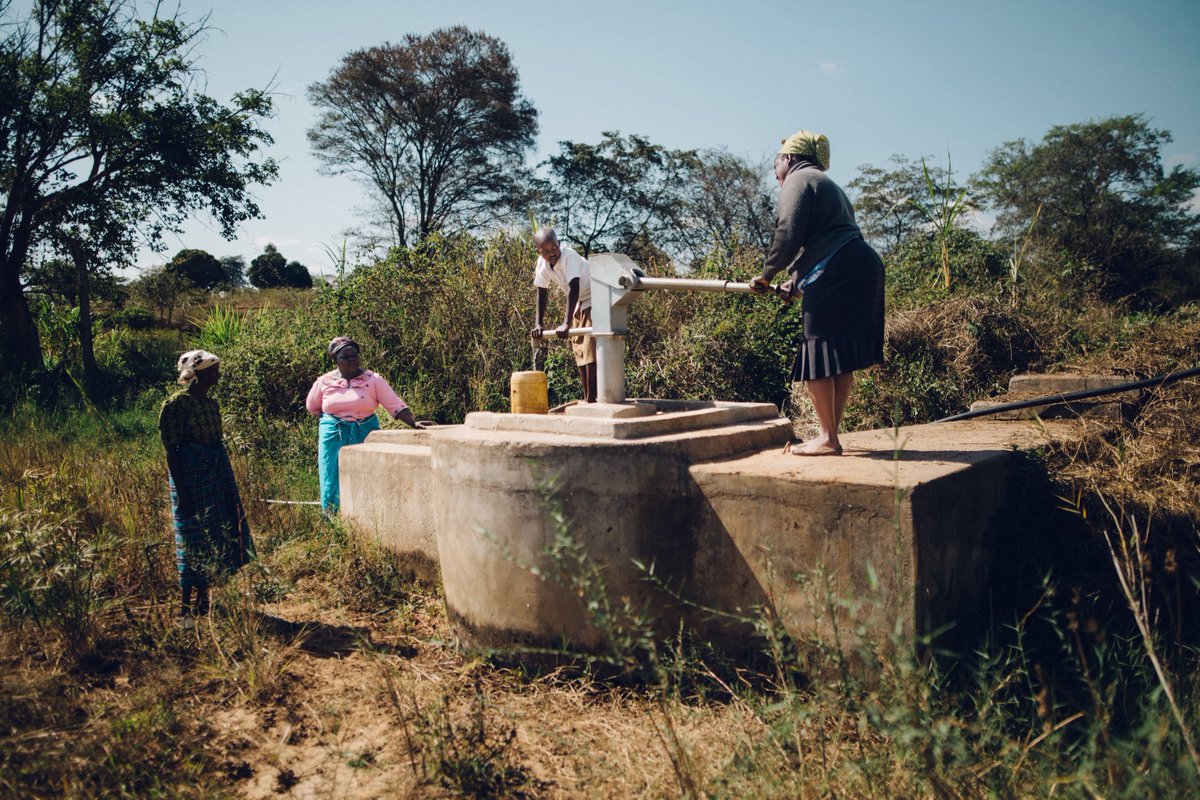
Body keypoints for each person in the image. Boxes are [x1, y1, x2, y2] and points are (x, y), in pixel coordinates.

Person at [750, 130, 885, 456]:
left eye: (776, 163)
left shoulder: (798, 180)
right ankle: (830, 434)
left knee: (818, 352)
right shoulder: (829, 186)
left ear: (789, 159)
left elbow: (788, 231)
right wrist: (797, 285)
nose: (775, 173)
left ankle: (826, 437)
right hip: (861, 265)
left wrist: (767, 275)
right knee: (837, 357)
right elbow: (828, 244)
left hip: (839, 269)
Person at [159, 350, 255, 626]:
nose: (218, 374)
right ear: (198, 374)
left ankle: (204, 601)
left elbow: (214, 443)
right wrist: (183, 492)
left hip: (215, 474)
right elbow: (172, 452)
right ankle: (184, 609)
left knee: (215, 533)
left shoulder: (211, 405)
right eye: (213, 370)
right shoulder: (176, 405)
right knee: (191, 539)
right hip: (190, 478)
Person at [306, 336, 428, 513]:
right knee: (331, 475)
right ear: (334, 360)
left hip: (365, 432)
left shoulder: (373, 380)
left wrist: (413, 422)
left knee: (367, 474)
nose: (351, 360)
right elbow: (313, 407)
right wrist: (332, 422)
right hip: (333, 434)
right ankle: (332, 518)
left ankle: (367, 516)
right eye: (345, 357)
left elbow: (394, 404)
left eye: (354, 356)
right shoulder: (324, 382)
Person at [530, 227, 597, 403]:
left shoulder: (569, 256)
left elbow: (574, 287)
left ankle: (592, 398)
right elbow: (542, 292)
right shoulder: (542, 264)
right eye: (546, 251)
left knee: (589, 344)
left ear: (559, 244)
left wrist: (566, 323)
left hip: (596, 294)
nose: (552, 253)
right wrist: (539, 324)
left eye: (554, 248)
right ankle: (587, 396)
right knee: (578, 345)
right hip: (580, 301)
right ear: (539, 252)